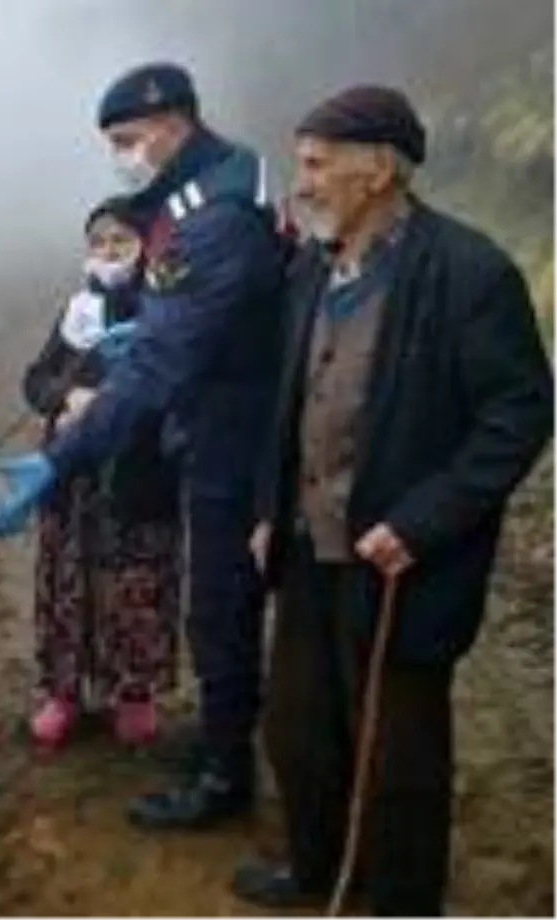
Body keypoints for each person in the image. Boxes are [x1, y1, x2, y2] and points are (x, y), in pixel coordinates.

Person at [233, 86, 555, 918]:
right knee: (300, 727)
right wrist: (271, 508)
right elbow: (291, 398)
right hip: (309, 546)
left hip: (403, 560)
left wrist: (424, 521)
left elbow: (519, 412)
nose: (299, 183)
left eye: (313, 164)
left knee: (399, 750)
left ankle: (404, 901)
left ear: (378, 169)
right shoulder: (311, 264)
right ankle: (317, 866)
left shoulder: (470, 272)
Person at [0, 62, 286, 826]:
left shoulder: (214, 214)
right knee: (218, 604)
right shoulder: (207, 189)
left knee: (220, 607)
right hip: (220, 411)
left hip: (232, 427)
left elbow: (163, 362)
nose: (122, 156)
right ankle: (222, 742)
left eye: (128, 140)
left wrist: (60, 457)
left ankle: (225, 778)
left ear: (172, 122)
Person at [20, 196, 182, 749]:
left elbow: (173, 384)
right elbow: (36, 381)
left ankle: (134, 693)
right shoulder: (76, 312)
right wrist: (67, 397)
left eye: (121, 242)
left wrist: (117, 403)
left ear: (145, 248)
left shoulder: (165, 308)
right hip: (72, 479)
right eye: (99, 243)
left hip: (140, 470)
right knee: (68, 584)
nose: (109, 253)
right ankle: (63, 692)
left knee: (136, 584)